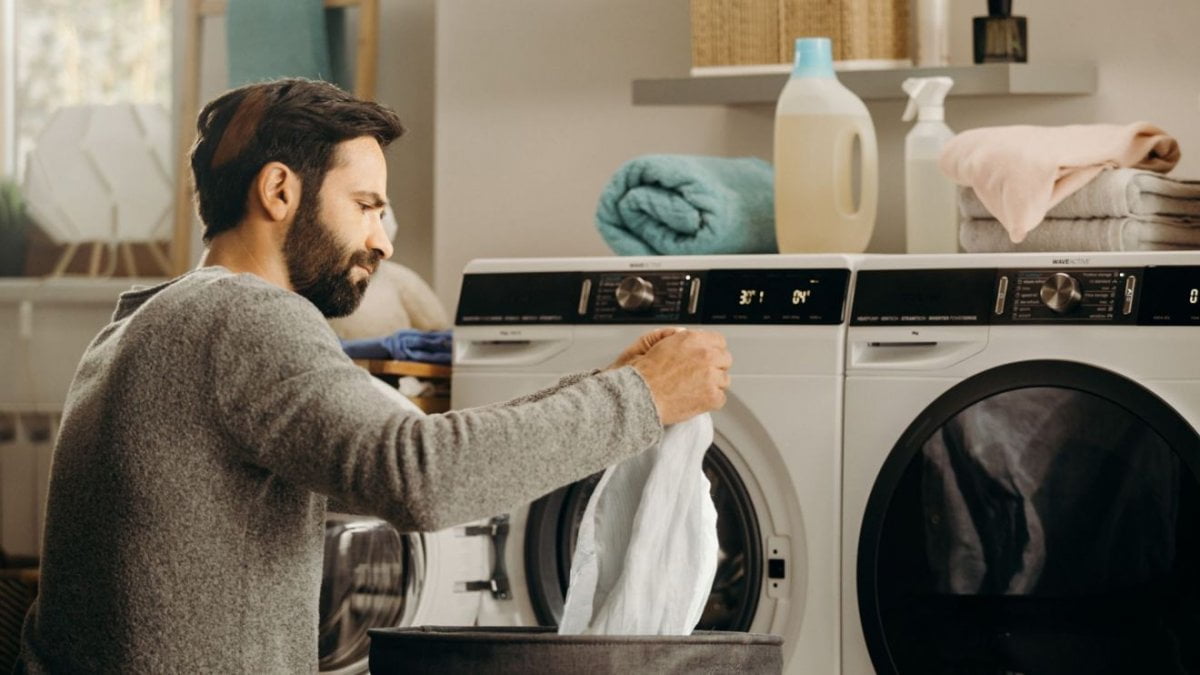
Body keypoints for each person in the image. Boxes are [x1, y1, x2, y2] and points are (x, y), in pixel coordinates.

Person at [14, 78, 732, 673]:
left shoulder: (139, 323)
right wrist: (640, 397)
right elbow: (423, 474)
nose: (384, 241)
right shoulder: (247, 314)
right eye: (366, 206)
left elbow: (419, 443)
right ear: (279, 191)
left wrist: (605, 387)